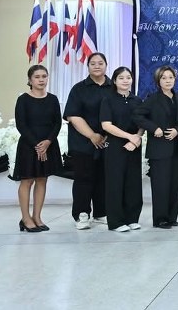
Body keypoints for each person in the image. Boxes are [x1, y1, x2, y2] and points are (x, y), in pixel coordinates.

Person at [134, 65, 178, 229]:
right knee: (160, 185)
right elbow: (137, 115)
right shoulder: (153, 99)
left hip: (176, 149)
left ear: (175, 79)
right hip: (159, 149)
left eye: (170, 77)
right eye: (164, 78)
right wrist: (153, 128)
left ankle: (171, 217)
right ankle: (160, 218)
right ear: (158, 81)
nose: (168, 81)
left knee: (174, 185)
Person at [64, 52, 112, 229]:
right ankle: (82, 214)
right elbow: (73, 115)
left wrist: (107, 135)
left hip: (107, 142)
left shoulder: (114, 87)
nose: (97, 66)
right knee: (83, 179)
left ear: (106, 65)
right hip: (82, 142)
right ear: (88, 66)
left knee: (103, 178)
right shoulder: (79, 89)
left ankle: (101, 213)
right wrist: (92, 135)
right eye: (93, 63)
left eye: (100, 63)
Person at [14, 65, 63, 232]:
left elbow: (57, 123)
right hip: (29, 146)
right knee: (27, 180)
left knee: (42, 179)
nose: (41, 80)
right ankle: (25, 218)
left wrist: (48, 142)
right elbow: (21, 125)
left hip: (48, 145)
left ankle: (37, 217)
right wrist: (37, 145)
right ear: (30, 80)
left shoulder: (53, 99)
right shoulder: (23, 100)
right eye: (37, 77)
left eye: (44, 76)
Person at [99, 67, 143, 232]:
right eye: (121, 78)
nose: (125, 80)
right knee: (115, 183)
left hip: (134, 146)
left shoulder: (137, 100)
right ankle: (116, 222)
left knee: (133, 182)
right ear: (115, 81)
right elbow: (106, 125)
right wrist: (129, 136)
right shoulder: (108, 99)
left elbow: (142, 123)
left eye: (128, 77)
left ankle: (132, 218)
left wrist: (136, 138)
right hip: (115, 145)